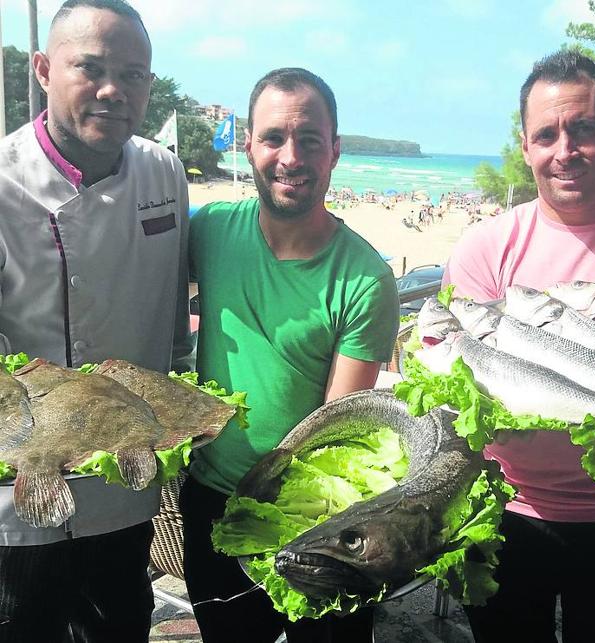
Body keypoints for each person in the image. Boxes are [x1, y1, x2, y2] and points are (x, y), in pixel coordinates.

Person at [181, 67, 400, 643]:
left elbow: (339, 427)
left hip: (319, 515)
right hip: (212, 503)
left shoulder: (365, 277)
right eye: (274, 137)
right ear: (248, 145)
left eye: (309, 140)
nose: (290, 156)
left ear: (334, 151)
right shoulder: (209, 230)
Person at [0, 1, 193, 641]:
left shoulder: (163, 170)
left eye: (135, 75)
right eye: (92, 69)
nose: (115, 90)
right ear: (43, 70)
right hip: (21, 490)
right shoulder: (3, 183)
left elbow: (171, 317)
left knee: (120, 627)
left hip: (124, 481)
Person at [443, 51, 595, 643]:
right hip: (507, 513)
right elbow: (456, 387)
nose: (564, 150)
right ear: (525, 147)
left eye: (585, 128)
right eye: (546, 134)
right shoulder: (486, 248)